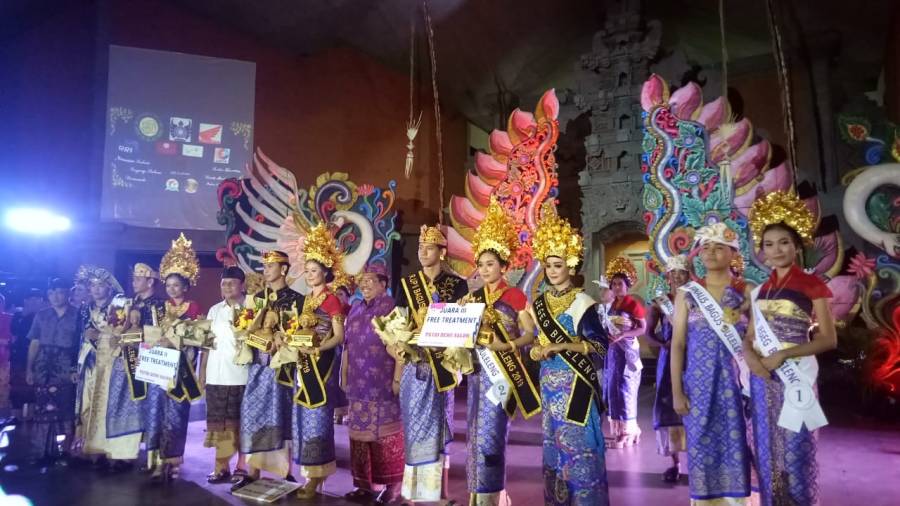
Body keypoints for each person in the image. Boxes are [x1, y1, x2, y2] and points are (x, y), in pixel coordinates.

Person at [745, 192, 837, 506]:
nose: (777, 250)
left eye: (784, 242)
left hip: (796, 375)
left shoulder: (813, 286)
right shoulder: (760, 291)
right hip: (762, 379)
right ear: (762, 250)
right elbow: (749, 336)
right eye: (769, 244)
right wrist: (752, 360)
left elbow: (828, 340)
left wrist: (783, 354)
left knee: (797, 448)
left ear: (796, 245)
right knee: (766, 449)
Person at [528, 205, 610, 505]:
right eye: (548, 265)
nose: (552, 270)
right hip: (549, 386)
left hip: (577, 387)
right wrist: (536, 350)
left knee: (579, 446)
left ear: (570, 266)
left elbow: (600, 345)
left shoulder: (583, 302)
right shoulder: (539, 303)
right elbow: (537, 341)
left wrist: (563, 347)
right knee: (554, 447)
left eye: (558, 265)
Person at [459, 197, 539, 505]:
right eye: (480, 264)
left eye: (490, 264)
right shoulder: (473, 297)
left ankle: (493, 496)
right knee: (474, 433)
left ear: (504, 266)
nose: (484, 269)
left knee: (492, 433)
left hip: (503, 374)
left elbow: (529, 333)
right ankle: (477, 495)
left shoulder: (515, 296)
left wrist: (506, 345)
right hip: (478, 374)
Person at [671, 222, 754, 504]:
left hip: (740, 386)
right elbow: (678, 344)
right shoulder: (688, 293)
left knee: (740, 444)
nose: (710, 252)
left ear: (733, 253)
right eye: (705, 247)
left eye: (719, 247)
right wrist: (677, 391)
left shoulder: (747, 291)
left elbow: (758, 338)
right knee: (701, 445)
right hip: (699, 386)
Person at [393, 225, 468, 502]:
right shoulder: (407, 284)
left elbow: (462, 327)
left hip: (442, 366)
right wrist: (398, 357)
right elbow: (397, 325)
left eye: (429, 248)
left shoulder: (457, 285)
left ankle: (438, 493)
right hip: (414, 366)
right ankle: (412, 493)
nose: (422, 252)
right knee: (413, 426)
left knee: (439, 426)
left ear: (442, 252)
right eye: (420, 248)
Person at [232, 250, 303, 491]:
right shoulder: (256, 298)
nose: (266, 270)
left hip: (281, 368)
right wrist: (251, 335)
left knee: (282, 414)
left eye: (271, 266)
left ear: (283, 269)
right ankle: (252, 471)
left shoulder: (296, 299)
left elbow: (298, 334)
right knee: (253, 415)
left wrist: (282, 340)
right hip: (257, 366)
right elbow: (244, 329)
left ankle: (286, 471)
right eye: (265, 266)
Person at [287, 222, 346, 499]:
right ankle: (308, 472)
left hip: (322, 365)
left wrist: (319, 348)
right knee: (303, 416)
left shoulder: (331, 300)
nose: (309, 275)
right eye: (307, 270)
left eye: (314, 270)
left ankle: (318, 473)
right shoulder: (304, 300)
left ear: (325, 272)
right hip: (303, 362)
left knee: (318, 417)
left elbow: (339, 336)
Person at [143, 234, 204, 481]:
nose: (171, 289)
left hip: (182, 367)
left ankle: (172, 460)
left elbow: (198, 337)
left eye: (176, 285)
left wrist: (174, 339)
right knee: (156, 411)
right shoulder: (158, 307)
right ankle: (155, 460)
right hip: (159, 365)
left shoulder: (193, 308)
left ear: (186, 287)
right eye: (168, 285)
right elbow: (149, 333)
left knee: (177, 413)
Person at [341, 263, 404, 504]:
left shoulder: (391, 308)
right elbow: (347, 346)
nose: (364, 284)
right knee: (358, 438)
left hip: (382, 384)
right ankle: (363, 486)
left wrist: (397, 379)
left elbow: (400, 347)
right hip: (357, 384)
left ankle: (392, 488)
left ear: (383, 284)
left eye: (370, 280)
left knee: (385, 438)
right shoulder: (355, 308)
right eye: (362, 280)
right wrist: (344, 375)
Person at [72, 266, 136, 468]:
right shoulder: (85, 309)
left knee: (111, 404)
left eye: (101, 285)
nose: (97, 289)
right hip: (90, 362)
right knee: (88, 403)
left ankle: (114, 451)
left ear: (109, 287)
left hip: (112, 361)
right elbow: (79, 337)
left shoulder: (119, 305)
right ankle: (90, 448)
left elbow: (117, 334)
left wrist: (98, 335)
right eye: (93, 286)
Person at [105, 262, 162, 474]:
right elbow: (118, 330)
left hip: (146, 364)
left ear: (150, 282)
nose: (134, 283)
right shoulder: (127, 303)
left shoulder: (159, 306)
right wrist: (117, 338)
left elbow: (159, 337)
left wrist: (141, 344)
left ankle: (152, 458)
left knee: (148, 409)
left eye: (138, 279)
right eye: (134, 279)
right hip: (124, 361)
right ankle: (122, 454)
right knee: (121, 405)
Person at [201, 266, 250, 484]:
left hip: (241, 375)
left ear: (242, 285)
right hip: (215, 375)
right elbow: (207, 344)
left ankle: (242, 467)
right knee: (218, 425)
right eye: (223, 283)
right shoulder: (215, 310)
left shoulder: (251, 308)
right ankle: (221, 467)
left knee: (240, 424)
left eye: (231, 283)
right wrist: (202, 371)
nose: (227, 287)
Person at [644, 255, 690, 482]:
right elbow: (648, 334)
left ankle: (698, 463)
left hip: (693, 358)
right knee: (668, 406)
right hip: (669, 359)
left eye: (682, 272)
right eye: (674, 273)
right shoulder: (660, 302)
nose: (678, 276)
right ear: (668, 276)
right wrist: (663, 344)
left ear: (689, 275)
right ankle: (675, 464)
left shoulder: (696, 299)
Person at [24, 278, 79, 465]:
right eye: (51, 293)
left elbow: (81, 345)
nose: (55, 297)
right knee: (42, 409)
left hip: (66, 366)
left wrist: (74, 368)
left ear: (68, 293)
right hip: (43, 366)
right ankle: (41, 452)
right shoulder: (41, 315)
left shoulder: (78, 315)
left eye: (60, 292)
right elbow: (34, 342)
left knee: (65, 409)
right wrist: (29, 368)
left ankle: (65, 452)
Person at [603, 256, 647, 449]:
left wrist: (623, 335)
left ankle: (628, 431)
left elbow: (642, 328)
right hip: (613, 352)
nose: (616, 287)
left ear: (627, 285)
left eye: (620, 284)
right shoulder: (611, 305)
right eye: (613, 284)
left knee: (625, 389)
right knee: (612, 389)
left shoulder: (632, 304)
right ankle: (621, 431)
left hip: (627, 351)